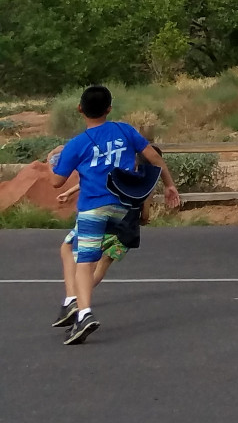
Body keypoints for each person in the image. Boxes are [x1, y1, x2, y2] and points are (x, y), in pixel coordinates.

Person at [48, 84, 181, 344]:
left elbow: (55, 181)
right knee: (71, 248)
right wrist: (169, 185)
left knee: (84, 261)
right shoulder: (125, 130)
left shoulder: (78, 144)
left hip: (93, 206)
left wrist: (51, 161)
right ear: (109, 108)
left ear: (79, 109)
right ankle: (71, 302)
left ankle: (82, 311)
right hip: (122, 207)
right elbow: (154, 158)